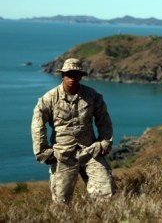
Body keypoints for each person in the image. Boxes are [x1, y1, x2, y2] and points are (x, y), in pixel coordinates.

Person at [31, 58, 115, 204]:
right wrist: (43, 152)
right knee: (61, 201)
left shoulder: (92, 96)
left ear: (81, 76)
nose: (72, 78)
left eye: (75, 74)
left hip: (90, 151)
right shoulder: (49, 99)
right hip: (62, 155)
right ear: (62, 75)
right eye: (69, 74)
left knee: (106, 191)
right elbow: (38, 125)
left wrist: (104, 142)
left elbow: (104, 120)